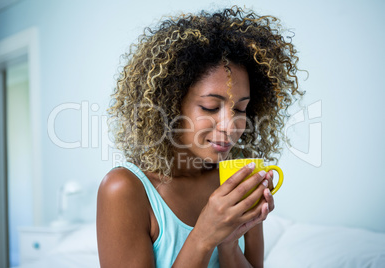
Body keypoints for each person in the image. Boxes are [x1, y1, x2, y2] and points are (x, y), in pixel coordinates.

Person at [97, 6, 304, 268]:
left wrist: (228, 243)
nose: (231, 126)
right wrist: (204, 236)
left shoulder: (237, 180)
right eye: (209, 107)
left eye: (240, 109)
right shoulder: (124, 189)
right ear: (170, 105)